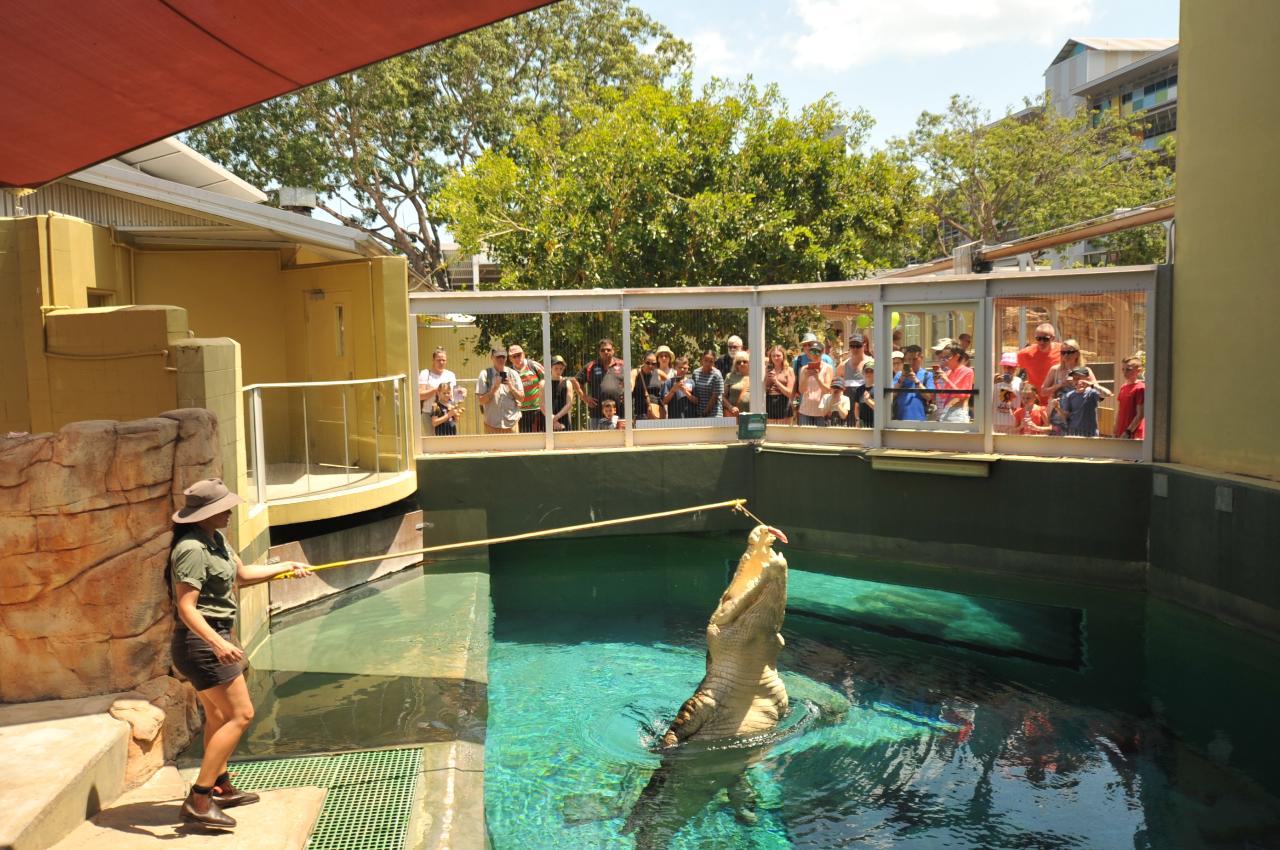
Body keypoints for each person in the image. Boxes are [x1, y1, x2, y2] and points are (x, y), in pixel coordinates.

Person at [169, 478, 311, 827]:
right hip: (202, 643)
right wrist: (219, 644)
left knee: (218, 718)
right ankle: (199, 799)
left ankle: (220, 787)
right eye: (224, 508)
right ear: (206, 513)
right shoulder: (191, 549)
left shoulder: (216, 540)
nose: (230, 512)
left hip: (214, 638)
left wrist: (285, 568)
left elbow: (242, 575)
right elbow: (186, 607)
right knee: (241, 716)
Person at [1040, 339, 1107, 403]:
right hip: (1059, 410)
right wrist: (1060, 385)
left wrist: (1084, 384)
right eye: (1063, 353)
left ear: (1077, 354)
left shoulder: (1085, 370)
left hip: (1079, 410)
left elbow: (1099, 393)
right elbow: (1043, 392)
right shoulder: (1055, 370)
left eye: (1069, 352)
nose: (1066, 355)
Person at [574, 338, 625, 416]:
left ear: (613, 350)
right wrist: (584, 397)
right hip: (597, 413)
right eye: (603, 350)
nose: (606, 352)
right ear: (599, 352)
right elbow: (575, 381)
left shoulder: (623, 364)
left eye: (608, 350)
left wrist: (627, 394)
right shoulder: (591, 366)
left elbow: (631, 380)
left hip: (620, 411)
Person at [477, 348, 523, 433]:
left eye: (503, 357)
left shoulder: (513, 374)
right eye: (498, 357)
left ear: (506, 358)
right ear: (492, 358)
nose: (501, 359)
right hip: (491, 425)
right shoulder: (485, 374)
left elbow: (521, 398)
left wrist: (511, 386)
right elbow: (481, 400)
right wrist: (494, 389)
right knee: (492, 447)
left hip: (511, 424)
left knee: (513, 447)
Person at [1017, 323, 1062, 403]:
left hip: (1057, 401)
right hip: (1034, 403)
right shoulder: (1026, 353)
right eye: (1038, 338)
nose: (1041, 342)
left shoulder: (1063, 351)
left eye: (1045, 339)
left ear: (1053, 338)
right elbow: (1011, 366)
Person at [418, 347, 460, 430]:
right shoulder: (425, 373)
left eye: (443, 360)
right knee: (432, 442)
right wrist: (436, 390)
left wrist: (461, 393)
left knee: (449, 441)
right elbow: (420, 396)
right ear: (433, 360)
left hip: (448, 414)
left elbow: (454, 397)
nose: (441, 362)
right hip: (429, 413)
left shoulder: (451, 375)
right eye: (438, 360)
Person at [508, 344, 546, 433]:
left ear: (524, 354)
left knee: (538, 437)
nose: (517, 358)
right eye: (514, 356)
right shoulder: (509, 372)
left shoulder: (533, 365)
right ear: (510, 358)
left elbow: (547, 379)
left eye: (519, 355)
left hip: (537, 409)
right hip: (519, 412)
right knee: (523, 439)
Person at [932, 343, 974, 423]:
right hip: (946, 411)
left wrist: (946, 380)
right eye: (943, 357)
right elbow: (943, 395)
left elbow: (962, 395)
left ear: (957, 356)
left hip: (959, 412)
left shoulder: (967, 371)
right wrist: (936, 382)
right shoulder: (949, 372)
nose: (945, 360)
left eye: (947, 357)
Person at [892, 345, 935, 422]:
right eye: (909, 359)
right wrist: (901, 379)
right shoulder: (899, 374)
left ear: (921, 358)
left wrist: (916, 380)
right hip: (899, 419)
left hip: (919, 419)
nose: (911, 362)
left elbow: (929, 397)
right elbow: (892, 395)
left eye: (914, 359)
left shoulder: (927, 375)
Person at [1059, 366, 1104, 436]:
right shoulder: (1068, 396)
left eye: (1078, 378)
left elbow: (1107, 394)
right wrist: (1057, 407)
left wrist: (1092, 384)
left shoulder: (1092, 393)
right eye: (1074, 378)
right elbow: (1065, 416)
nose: (1076, 381)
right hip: (1074, 433)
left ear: (1087, 378)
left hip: (1091, 434)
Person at [796, 341, 832, 426]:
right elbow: (801, 390)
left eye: (817, 351)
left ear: (822, 352)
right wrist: (806, 377)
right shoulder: (804, 369)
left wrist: (817, 378)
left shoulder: (828, 368)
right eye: (812, 351)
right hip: (805, 410)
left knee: (821, 438)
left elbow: (827, 390)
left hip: (821, 411)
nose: (815, 354)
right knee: (806, 438)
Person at [1114, 357, 1146, 439]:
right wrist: (1115, 430)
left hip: (1133, 434)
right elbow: (1120, 411)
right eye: (1123, 369)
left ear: (1139, 371)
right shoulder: (1123, 387)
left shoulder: (1141, 388)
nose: (1125, 373)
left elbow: (1140, 414)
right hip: (1121, 433)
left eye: (1128, 370)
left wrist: (1128, 432)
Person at [764, 345, 795, 424]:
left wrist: (776, 381)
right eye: (773, 356)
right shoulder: (766, 369)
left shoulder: (789, 370)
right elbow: (763, 390)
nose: (776, 358)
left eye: (778, 355)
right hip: (769, 402)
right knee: (770, 432)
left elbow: (790, 393)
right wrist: (766, 379)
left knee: (783, 433)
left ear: (783, 356)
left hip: (783, 403)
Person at [631, 351, 665, 421]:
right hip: (642, 414)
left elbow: (670, 383)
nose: (650, 366)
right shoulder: (636, 372)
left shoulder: (658, 373)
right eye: (648, 363)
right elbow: (630, 385)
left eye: (653, 364)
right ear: (643, 361)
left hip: (657, 413)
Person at [692, 350, 725, 417]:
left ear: (714, 362)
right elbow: (694, 393)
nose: (708, 363)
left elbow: (715, 397)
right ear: (702, 359)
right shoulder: (696, 373)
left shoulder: (717, 375)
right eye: (706, 360)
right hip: (698, 412)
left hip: (714, 413)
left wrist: (705, 412)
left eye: (711, 361)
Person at [549, 355, 576, 431]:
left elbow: (569, 404)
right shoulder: (544, 383)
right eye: (556, 368)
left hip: (564, 417)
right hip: (547, 418)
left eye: (561, 369)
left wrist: (556, 418)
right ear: (550, 368)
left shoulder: (567, 383)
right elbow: (542, 403)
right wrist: (552, 419)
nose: (558, 371)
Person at [724, 351, 751, 416]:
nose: (741, 364)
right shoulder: (730, 376)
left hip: (751, 414)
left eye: (744, 361)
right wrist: (730, 407)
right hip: (733, 414)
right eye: (738, 362)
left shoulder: (755, 377)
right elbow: (722, 397)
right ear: (735, 364)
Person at [852, 360, 876, 427]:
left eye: (871, 371)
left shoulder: (879, 389)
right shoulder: (859, 389)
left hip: (875, 425)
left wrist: (868, 401)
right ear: (863, 373)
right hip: (863, 426)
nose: (868, 373)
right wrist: (857, 420)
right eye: (866, 371)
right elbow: (856, 407)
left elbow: (880, 409)